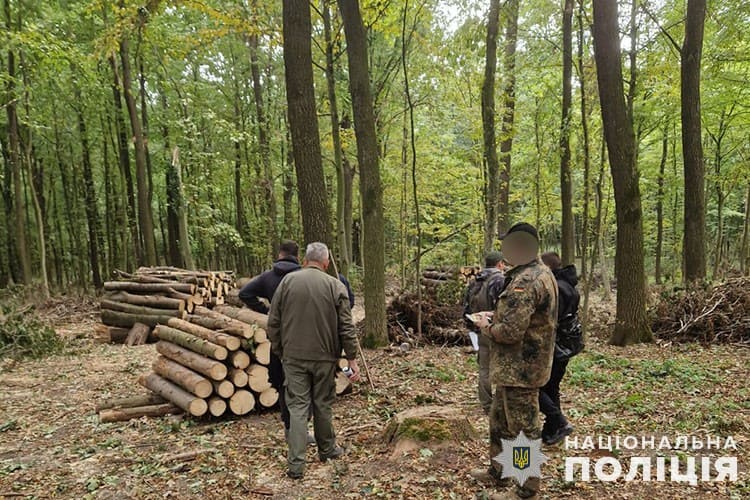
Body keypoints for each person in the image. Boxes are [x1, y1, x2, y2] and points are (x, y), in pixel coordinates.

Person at [471, 223, 558, 499]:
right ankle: (499, 471)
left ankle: (526, 488)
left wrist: (485, 326)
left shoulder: (528, 280)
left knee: (522, 429)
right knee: (498, 421)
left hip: (521, 369)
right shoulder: (535, 273)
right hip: (514, 369)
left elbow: (510, 332)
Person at [266, 242, 360, 479]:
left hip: (294, 357)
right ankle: (327, 450)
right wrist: (352, 359)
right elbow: (347, 327)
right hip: (325, 357)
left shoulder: (287, 282)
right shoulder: (335, 286)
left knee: (297, 408)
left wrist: (280, 350)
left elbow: (273, 321)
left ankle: (296, 465)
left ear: (305, 261)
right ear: (326, 263)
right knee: (322, 404)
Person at [238, 240, 305, 441]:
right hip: (302, 335)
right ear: (298, 256)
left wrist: (266, 312)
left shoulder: (268, 277)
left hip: (276, 337)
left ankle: (289, 428)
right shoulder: (302, 277)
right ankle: (300, 430)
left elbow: (245, 293)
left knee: (281, 381)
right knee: (302, 383)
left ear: (280, 254)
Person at [539, 251, 580, 445]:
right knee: (551, 387)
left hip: (556, 346)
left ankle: (558, 421)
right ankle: (551, 430)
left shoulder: (557, 288)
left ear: (547, 267)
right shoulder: (568, 285)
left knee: (535, 387)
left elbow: (550, 319)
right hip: (565, 345)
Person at [463, 251, 506, 414]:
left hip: (479, 330)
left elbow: (465, 307)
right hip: (497, 330)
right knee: (503, 365)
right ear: (500, 264)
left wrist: (473, 327)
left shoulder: (473, 281)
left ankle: (487, 405)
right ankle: (501, 404)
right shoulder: (500, 280)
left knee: (484, 368)